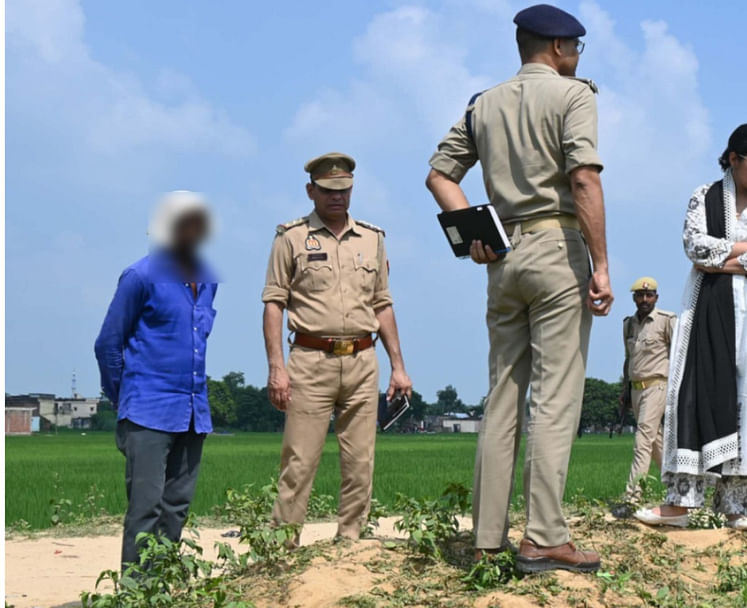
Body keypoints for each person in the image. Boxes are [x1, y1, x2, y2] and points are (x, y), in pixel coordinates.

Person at [425, 3, 612, 573]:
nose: (577, 59)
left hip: (501, 257)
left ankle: (486, 538)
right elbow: (582, 176)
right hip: (557, 248)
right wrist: (600, 264)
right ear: (558, 49)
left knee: (502, 397)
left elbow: (439, 173)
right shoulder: (573, 94)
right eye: (575, 49)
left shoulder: (483, 103)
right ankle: (544, 536)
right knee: (555, 400)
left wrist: (476, 232)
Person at [635, 124, 747, 531]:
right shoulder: (704, 196)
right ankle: (680, 504)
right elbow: (694, 247)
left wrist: (725, 258)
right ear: (733, 158)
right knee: (697, 392)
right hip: (709, 305)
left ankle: (735, 507)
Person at [262, 152, 412, 544]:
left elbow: (383, 304)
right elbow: (274, 303)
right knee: (299, 460)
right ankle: (282, 546)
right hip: (310, 362)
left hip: (363, 359)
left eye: (344, 190)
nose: (337, 198)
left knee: (360, 461)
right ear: (311, 190)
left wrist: (398, 365)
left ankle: (351, 541)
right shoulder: (290, 238)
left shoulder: (373, 239)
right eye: (328, 191)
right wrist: (277, 366)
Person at [94, 191, 218, 570]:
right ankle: (136, 589)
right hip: (147, 410)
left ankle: (161, 584)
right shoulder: (140, 276)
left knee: (177, 506)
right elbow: (108, 344)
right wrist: (125, 398)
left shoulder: (208, 280)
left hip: (193, 410)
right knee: (145, 509)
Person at [611, 277, 676, 516]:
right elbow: (629, 359)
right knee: (655, 441)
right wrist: (625, 390)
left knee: (642, 440)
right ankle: (677, 487)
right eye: (640, 295)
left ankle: (632, 498)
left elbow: (680, 354)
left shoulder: (666, 321)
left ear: (656, 298)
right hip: (637, 389)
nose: (644, 299)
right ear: (634, 298)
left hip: (658, 385)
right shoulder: (629, 325)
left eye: (649, 295)